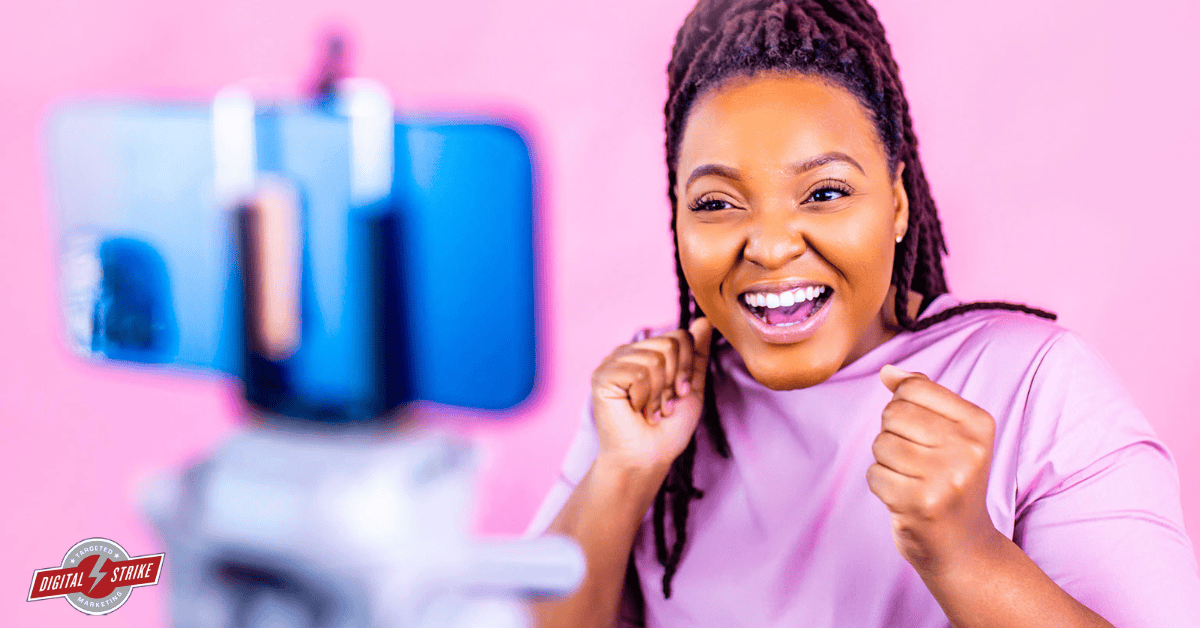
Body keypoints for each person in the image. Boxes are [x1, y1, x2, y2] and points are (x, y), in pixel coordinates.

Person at [527, 0, 1200, 626]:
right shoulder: (648, 401)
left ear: (899, 202)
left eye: (824, 191)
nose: (769, 246)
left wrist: (966, 554)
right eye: (715, 203)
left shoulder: (1037, 385)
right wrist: (618, 475)